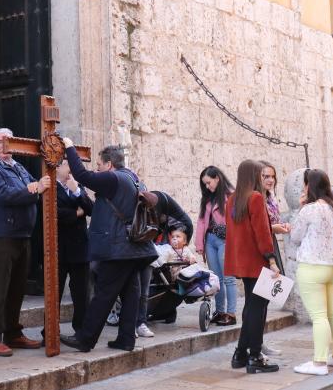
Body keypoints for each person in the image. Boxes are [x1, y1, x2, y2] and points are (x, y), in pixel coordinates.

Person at [59, 142, 158, 353]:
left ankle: (85, 339)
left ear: (109, 164)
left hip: (119, 248)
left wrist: (69, 148)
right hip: (133, 247)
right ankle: (125, 339)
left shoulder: (113, 178)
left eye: (99, 165)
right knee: (131, 294)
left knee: (104, 293)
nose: (97, 169)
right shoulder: (131, 177)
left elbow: (84, 176)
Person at [0, 128, 49, 356]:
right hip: (1, 235)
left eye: (10, 140)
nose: (5, 145)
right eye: (0, 141)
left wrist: (34, 187)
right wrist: (33, 189)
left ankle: (13, 332)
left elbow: (35, 186)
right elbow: (3, 194)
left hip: (22, 235)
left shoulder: (17, 166)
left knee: (17, 288)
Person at [290, 169, 333, 375]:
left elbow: (295, 237)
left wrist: (300, 208)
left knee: (319, 316)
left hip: (312, 267)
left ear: (309, 186)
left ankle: (319, 363)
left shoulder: (309, 209)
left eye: (305, 184)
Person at [225, 159, 280, 374]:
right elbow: (262, 233)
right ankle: (255, 355)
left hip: (242, 261)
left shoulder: (232, 199)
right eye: (260, 174)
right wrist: (272, 259)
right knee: (258, 309)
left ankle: (240, 354)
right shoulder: (255, 198)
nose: (263, 178)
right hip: (257, 261)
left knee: (251, 308)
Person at [136, 190, 193, 335]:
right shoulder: (154, 200)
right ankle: (167, 312)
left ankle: (164, 310)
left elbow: (153, 229)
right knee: (166, 275)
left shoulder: (154, 204)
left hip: (179, 230)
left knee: (165, 270)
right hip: (177, 229)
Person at [195, 166, 237, 326]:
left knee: (229, 278)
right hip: (210, 240)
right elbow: (201, 221)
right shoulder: (207, 198)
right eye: (204, 184)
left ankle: (231, 314)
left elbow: (237, 220)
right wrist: (200, 243)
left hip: (226, 240)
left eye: (208, 182)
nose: (207, 187)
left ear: (217, 178)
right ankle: (220, 312)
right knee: (216, 279)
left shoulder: (232, 196)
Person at [56, 159, 94, 333]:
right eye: (67, 164)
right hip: (58, 248)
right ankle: (50, 331)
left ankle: (81, 328)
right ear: (57, 167)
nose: (71, 168)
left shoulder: (76, 186)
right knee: (54, 291)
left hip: (79, 247)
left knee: (81, 291)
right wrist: (77, 212)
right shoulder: (50, 186)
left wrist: (77, 191)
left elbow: (91, 209)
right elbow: (54, 213)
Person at [259, 161, 289, 357]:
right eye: (265, 176)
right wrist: (276, 228)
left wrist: (279, 227)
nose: (270, 180)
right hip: (263, 249)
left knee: (266, 298)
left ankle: (259, 343)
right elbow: (259, 228)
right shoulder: (256, 199)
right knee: (260, 300)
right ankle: (256, 344)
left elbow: (272, 223)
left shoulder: (269, 197)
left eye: (272, 176)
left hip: (272, 245)